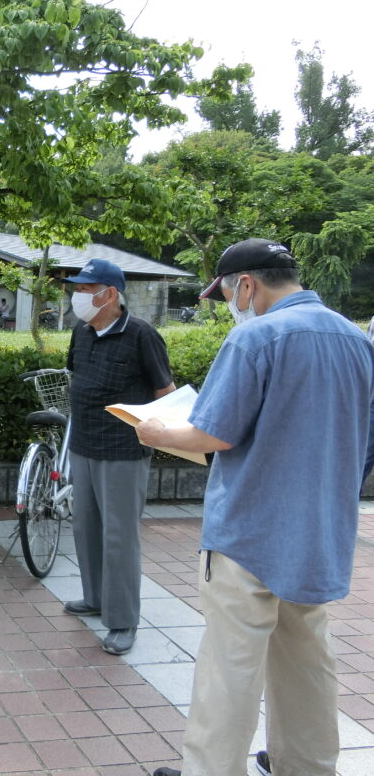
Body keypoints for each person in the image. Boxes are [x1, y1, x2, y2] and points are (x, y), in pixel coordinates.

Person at [141, 239, 374, 776]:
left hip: (249, 529)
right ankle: (307, 766)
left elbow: (211, 433)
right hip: (321, 529)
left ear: (246, 284)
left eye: (226, 294)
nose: (230, 306)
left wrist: (155, 430)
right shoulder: (354, 338)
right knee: (307, 659)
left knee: (230, 666)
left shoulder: (255, 337)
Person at [61, 258, 175, 655]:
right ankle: (95, 597)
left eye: (85, 289)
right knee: (85, 527)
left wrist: (161, 434)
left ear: (110, 294)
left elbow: (166, 393)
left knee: (119, 536)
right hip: (83, 444)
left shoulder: (141, 334)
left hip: (123, 450)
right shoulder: (82, 332)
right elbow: (76, 376)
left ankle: (123, 620)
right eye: (76, 289)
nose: (77, 296)